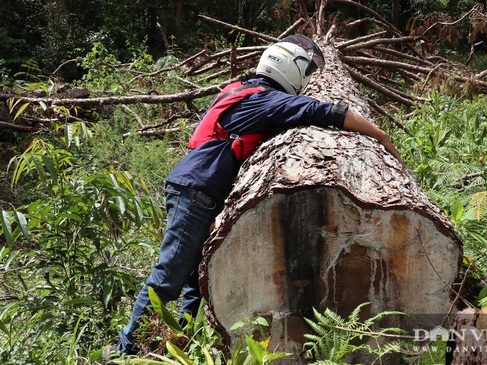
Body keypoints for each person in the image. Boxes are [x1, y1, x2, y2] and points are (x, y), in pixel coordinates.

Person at [103, 34, 401, 360]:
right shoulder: (266, 100)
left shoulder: (239, 90)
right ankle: (125, 351)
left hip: (194, 187)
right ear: (291, 71)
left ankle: (178, 345)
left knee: (192, 284)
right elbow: (324, 111)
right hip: (198, 191)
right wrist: (381, 134)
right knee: (168, 277)